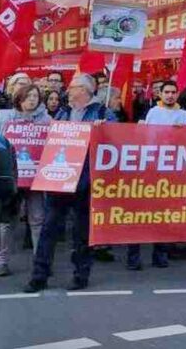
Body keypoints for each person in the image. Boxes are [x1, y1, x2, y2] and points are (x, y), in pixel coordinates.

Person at [24, 74, 117, 293]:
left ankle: (81, 274)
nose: (68, 90)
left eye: (73, 87)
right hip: (60, 178)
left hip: (85, 179)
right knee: (49, 228)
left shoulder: (103, 113)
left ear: (84, 90)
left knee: (81, 231)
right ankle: (39, 275)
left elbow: (115, 141)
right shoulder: (64, 112)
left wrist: (104, 130)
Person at [129, 81, 186, 270]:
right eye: (167, 92)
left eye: (174, 92)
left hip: (172, 170)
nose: (170, 95)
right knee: (140, 215)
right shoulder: (152, 113)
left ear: (178, 94)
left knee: (163, 215)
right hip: (150, 168)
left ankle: (160, 255)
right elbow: (141, 137)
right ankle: (133, 257)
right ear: (161, 94)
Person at [0, 84, 51, 277]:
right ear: (19, 98)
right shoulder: (4, 119)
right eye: (28, 96)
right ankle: (1, 261)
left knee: (37, 220)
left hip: (35, 178)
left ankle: (39, 261)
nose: (32, 99)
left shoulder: (47, 120)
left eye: (35, 96)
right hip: (12, 178)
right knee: (6, 222)